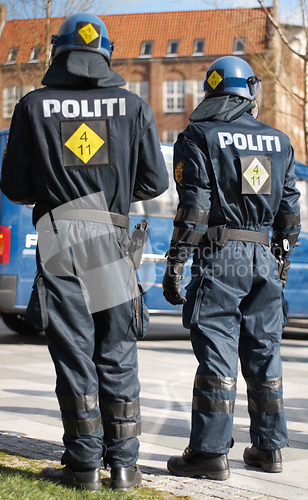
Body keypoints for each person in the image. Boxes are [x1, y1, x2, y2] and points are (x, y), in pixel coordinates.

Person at [1, 13, 168, 491]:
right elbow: (155, 182)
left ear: (59, 52)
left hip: (57, 238)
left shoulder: (34, 105)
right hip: (111, 237)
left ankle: (82, 466)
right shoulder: (133, 107)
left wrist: (55, 189)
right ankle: (123, 467)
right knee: (117, 352)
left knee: (74, 354)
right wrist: (113, 188)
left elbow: (14, 185)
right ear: (106, 55)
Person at [162, 56, 301, 480]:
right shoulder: (280, 141)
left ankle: (208, 454)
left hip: (221, 256)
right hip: (263, 256)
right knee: (265, 352)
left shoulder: (199, 135)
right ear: (250, 92)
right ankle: (270, 448)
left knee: (218, 355)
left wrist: (177, 262)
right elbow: (290, 211)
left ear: (211, 91)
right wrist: (281, 263)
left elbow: (195, 207)